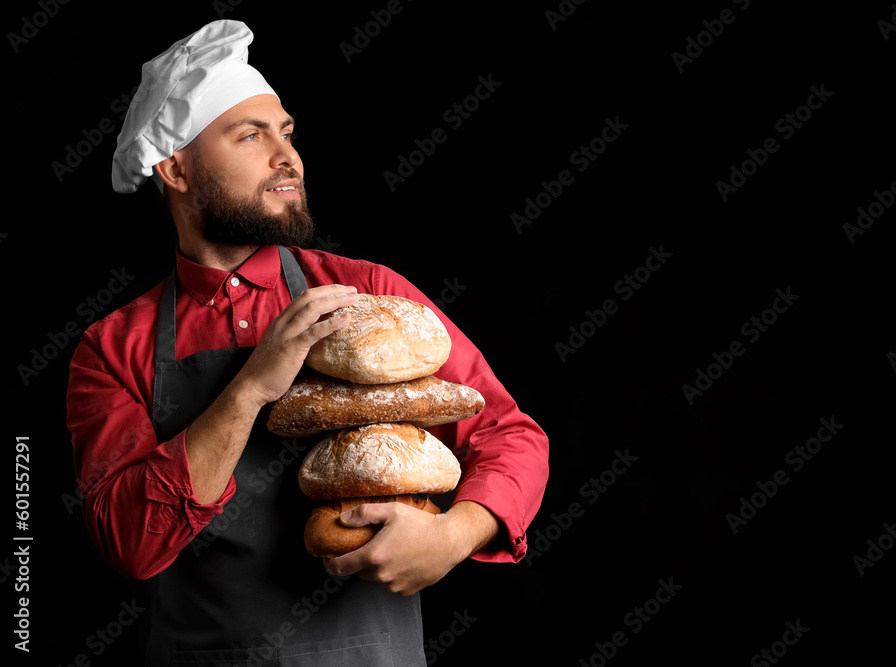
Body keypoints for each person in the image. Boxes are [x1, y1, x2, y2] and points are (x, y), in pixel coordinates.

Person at [66, 20, 548, 666]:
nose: (286, 155)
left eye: (286, 133)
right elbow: (128, 543)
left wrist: (455, 534)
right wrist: (250, 390)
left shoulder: (368, 292)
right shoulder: (111, 347)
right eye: (250, 134)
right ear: (175, 168)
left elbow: (510, 434)